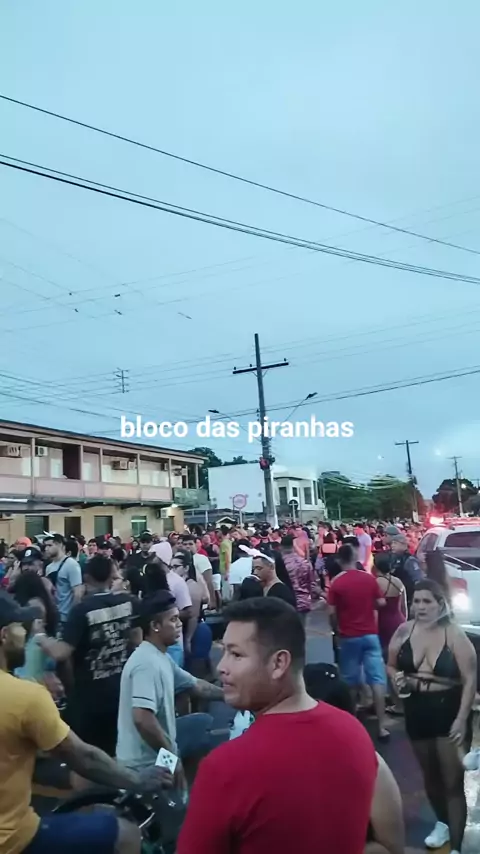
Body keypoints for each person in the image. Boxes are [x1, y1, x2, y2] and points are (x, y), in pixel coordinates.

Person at [177, 597, 389, 854]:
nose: (222, 667)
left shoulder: (224, 768)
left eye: (236, 654)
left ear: (278, 663)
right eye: (224, 652)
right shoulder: (354, 732)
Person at [0, 589, 173, 854]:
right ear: (3, 635)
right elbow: (84, 758)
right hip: (13, 840)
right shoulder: (25, 697)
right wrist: (138, 780)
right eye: (19, 628)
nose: (25, 634)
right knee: (126, 833)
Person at [388, 579, 477, 854]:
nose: (421, 606)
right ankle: (443, 823)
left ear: (440, 604)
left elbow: (470, 679)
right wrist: (397, 679)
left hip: (448, 709)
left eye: (427, 601)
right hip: (417, 709)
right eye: (416, 601)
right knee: (430, 777)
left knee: (452, 782)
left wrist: (461, 719)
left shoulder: (455, 635)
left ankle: (457, 847)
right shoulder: (404, 631)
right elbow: (390, 665)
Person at [37, 555, 141, 759]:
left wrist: (40, 637)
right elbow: (136, 640)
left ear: (86, 577)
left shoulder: (81, 610)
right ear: (111, 576)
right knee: (118, 751)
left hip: (90, 697)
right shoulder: (129, 603)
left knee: (89, 758)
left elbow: (61, 652)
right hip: (122, 691)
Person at [116, 590, 223, 775]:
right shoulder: (146, 663)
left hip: (156, 755)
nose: (180, 624)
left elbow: (196, 685)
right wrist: (171, 758)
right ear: (155, 626)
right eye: (173, 620)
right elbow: (142, 718)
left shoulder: (160, 657)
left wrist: (229, 695)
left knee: (203, 723)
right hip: (143, 766)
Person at [328, 544, 389, 740]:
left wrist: (336, 628)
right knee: (377, 679)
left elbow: (331, 612)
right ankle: (382, 726)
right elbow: (381, 602)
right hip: (370, 634)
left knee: (350, 680)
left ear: (339, 560)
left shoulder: (336, 583)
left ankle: (352, 722)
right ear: (355, 558)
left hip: (349, 636)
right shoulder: (369, 579)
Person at [44, 533, 83, 626]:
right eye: (45, 546)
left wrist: (73, 617)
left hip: (66, 617)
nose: (46, 549)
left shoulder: (71, 564)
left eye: (50, 545)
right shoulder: (49, 567)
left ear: (59, 545)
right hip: (54, 616)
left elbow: (78, 593)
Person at [373, 553, 407, 656]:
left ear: (375, 566)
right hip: (398, 621)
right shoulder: (398, 581)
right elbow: (404, 606)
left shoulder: (375, 583)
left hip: (381, 624)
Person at [279, 535, 316, 623]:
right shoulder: (304, 563)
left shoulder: (279, 563)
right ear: (293, 546)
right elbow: (311, 583)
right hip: (303, 601)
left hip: (284, 602)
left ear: (281, 547)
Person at [389, 534, 423, 610]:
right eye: (392, 543)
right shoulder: (394, 558)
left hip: (408, 597)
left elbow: (418, 579)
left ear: (404, 545)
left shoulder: (410, 560)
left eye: (395, 543)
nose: (392, 545)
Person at [180, 535, 215, 607]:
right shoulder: (178, 560)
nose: (187, 546)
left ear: (196, 545)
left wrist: (211, 601)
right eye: (185, 544)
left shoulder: (201, 559)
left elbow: (208, 580)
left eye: (190, 544)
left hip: (199, 596)